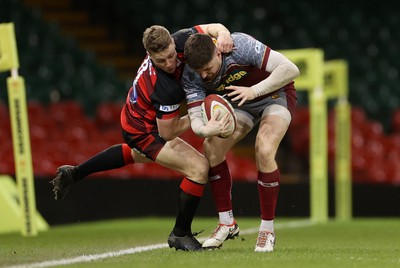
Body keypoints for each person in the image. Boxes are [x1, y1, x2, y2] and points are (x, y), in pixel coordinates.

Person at [51, 23, 234, 252]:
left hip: (134, 116)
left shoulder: (182, 39)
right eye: (161, 61)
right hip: (143, 130)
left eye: (170, 56)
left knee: (134, 155)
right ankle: (180, 233)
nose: (168, 64)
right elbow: (168, 132)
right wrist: (201, 114)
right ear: (149, 56)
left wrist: (224, 34)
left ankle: (76, 172)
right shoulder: (164, 85)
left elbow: (213, 27)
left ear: (172, 42)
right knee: (198, 168)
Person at [182, 33, 300, 252]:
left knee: (264, 148)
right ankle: (227, 223)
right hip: (239, 103)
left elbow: (291, 69)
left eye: (208, 68)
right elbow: (195, 115)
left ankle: (267, 230)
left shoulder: (239, 46)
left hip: (274, 94)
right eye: (200, 72)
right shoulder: (191, 74)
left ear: (218, 51)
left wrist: (254, 90)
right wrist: (204, 130)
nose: (205, 75)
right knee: (211, 146)